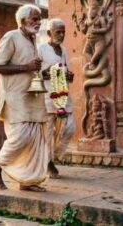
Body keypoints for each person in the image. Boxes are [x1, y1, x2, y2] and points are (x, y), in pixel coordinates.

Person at [0, 4, 53, 192]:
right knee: (21, 138)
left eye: (39, 19)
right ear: (23, 21)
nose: (38, 22)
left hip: (32, 98)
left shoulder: (33, 40)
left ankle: (27, 181)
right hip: (14, 97)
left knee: (35, 140)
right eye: (34, 19)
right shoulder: (11, 37)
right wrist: (26, 67)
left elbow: (33, 69)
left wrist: (49, 73)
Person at [39, 19, 75, 179]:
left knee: (70, 127)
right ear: (49, 34)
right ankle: (48, 163)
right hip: (47, 95)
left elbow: (66, 72)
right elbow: (36, 73)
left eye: (63, 32)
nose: (61, 35)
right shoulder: (41, 49)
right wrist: (51, 72)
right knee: (47, 133)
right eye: (57, 32)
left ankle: (54, 156)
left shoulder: (64, 50)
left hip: (63, 94)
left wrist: (68, 75)